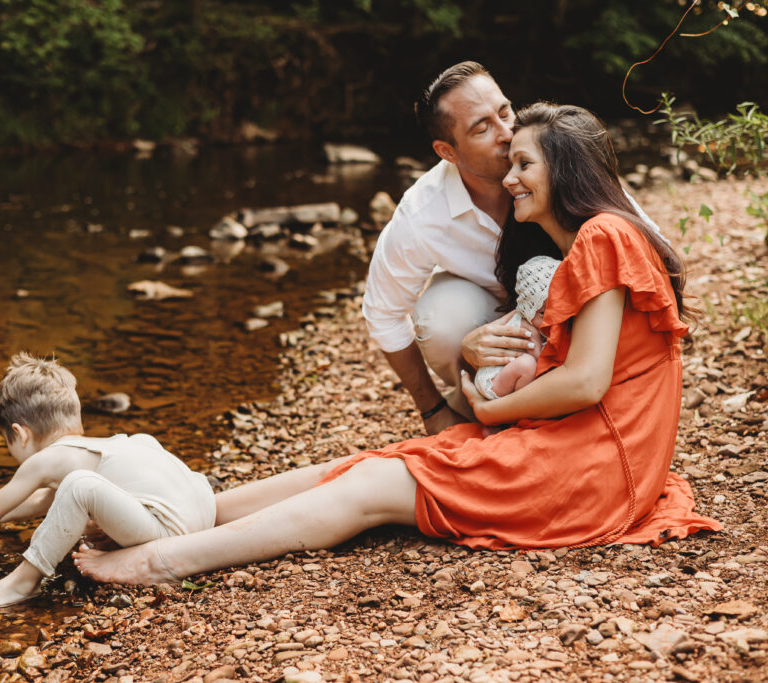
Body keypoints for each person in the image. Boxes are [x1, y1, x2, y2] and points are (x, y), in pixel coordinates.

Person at [70, 102, 721, 586]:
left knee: (376, 486)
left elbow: (585, 381)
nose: (510, 176)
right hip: (591, 449)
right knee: (383, 460)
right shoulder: (589, 240)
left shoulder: (605, 236)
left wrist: (492, 412)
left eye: (524, 163)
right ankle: (187, 513)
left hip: (596, 466)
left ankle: (162, 558)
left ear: (568, 171)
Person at [363, 61, 664, 435]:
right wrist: (434, 405)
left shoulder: (564, 164)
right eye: (482, 128)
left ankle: (561, 398)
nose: (507, 132)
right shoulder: (423, 213)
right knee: (441, 319)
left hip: (588, 318)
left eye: (505, 111)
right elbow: (383, 314)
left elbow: (648, 246)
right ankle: (485, 398)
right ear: (447, 151)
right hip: (509, 319)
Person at [0, 352, 216, 609]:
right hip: (204, 512)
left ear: (20, 434)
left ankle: (22, 582)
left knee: (79, 485)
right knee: (138, 443)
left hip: (173, 533)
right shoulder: (96, 448)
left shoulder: (49, 459)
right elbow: (36, 503)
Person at [473, 254, 560, 400]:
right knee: (528, 365)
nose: (550, 318)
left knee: (527, 365)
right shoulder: (527, 327)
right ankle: (522, 402)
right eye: (543, 313)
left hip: (509, 374)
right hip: (494, 380)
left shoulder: (535, 321)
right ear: (528, 310)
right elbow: (540, 359)